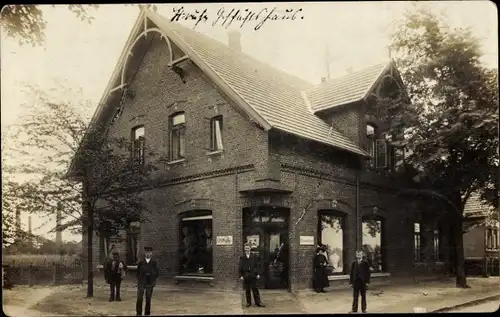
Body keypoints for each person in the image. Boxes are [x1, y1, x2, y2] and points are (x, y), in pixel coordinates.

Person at [239, 243, 265, 307]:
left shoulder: (254, 256)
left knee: (255, 289)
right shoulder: (242, 257)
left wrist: (258, 274)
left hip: (253, 274)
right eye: (246, 248)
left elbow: (257, 265)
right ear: (244, 249)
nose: (247, 249)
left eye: (248, 248)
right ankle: (248, 303)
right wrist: (241, 275)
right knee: (247, 289)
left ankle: (258, 302)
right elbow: (240, 267)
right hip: (246, 275)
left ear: (250, 248)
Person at [136, 246, 159, 316]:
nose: (148, 254)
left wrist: (151, 275)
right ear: (144, 253)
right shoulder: (141, 262)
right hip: (141, 282)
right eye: (146, 252)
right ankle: (138, 313)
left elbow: (157, 273)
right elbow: (137, 273)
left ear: (151, 253)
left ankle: (147, 313)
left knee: (148, 298)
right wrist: (140, 280)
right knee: (139, 298)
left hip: (150, 283)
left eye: (149, 252)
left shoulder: (154, 263)